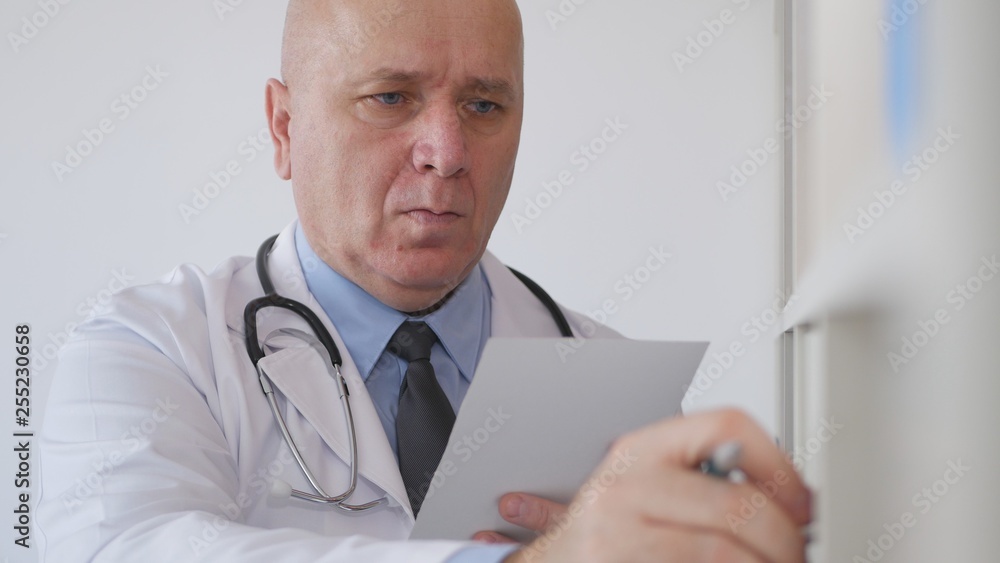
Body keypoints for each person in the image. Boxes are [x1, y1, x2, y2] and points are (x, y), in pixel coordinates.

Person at [37, 0, 812, 561]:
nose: (446, 150)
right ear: (284, 128)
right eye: (390, 97)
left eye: (484, 103)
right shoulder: (148, 348)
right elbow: (126, 545)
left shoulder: (608, 383)